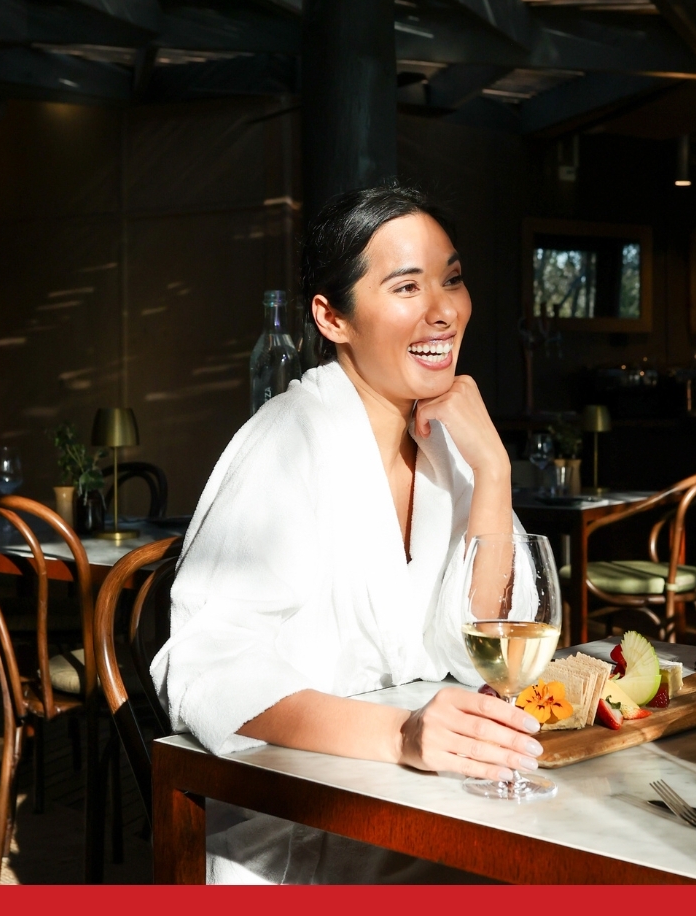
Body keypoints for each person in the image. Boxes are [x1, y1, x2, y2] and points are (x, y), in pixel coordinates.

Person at [151, 184, 552, 883]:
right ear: (331, 317)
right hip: (303, 837)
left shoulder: (450, 447)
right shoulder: (285, 439)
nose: (443, 311)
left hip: (434, 817)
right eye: (406, 287)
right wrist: (402, 735)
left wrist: (492, 471)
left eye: (452, 280)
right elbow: (206, 666)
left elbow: (487, 643)